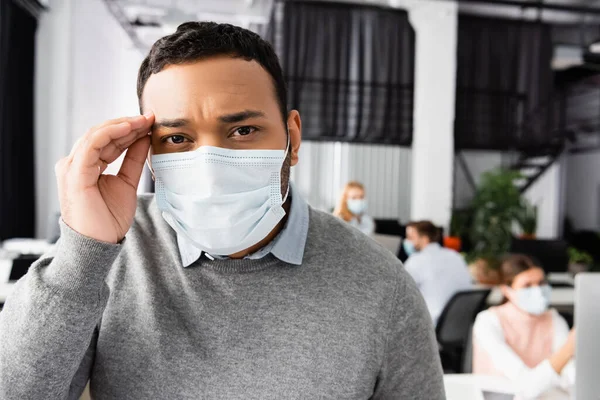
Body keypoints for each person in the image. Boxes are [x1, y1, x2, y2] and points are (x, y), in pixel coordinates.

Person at [0, 22, 444, 399]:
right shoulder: (112, 257)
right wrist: (82, 254)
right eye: (177, 138)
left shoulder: (381, 286)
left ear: (292, 136)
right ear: (148, 152)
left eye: (243, 130)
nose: (211, 169)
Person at [473, 254, 575, 399]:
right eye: (527, 285)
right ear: (506, 290)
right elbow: (525, 384)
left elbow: (569, 375)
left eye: (541, 283)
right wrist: (568, 350)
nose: (538, 290)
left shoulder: (554, 319)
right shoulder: (487, 321)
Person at [403, 220, 473, 326]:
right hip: (460, 324)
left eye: (410, 237)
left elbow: (399, 290)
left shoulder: (417, 260)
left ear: (424, 239)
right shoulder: (455, 256)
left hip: (431, 324)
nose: (407, 241)